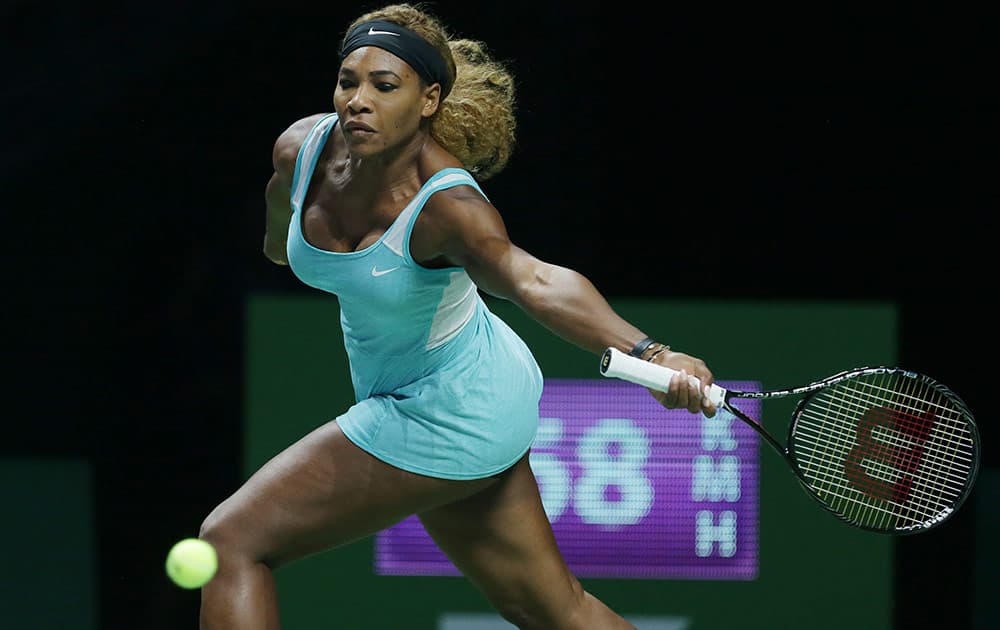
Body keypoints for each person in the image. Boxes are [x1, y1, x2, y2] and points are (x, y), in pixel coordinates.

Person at [199, 3, 717, 628]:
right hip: (465, 387)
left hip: (447, 404)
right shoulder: (299, 153)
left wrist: (652, 354)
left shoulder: (449, 207)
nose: (357, 100)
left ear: (429, 100)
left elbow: (534, 280)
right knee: (556, 612)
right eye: (348, 81)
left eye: (384, 86)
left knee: (230, 543)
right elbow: (280, 242)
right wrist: (287, 239)